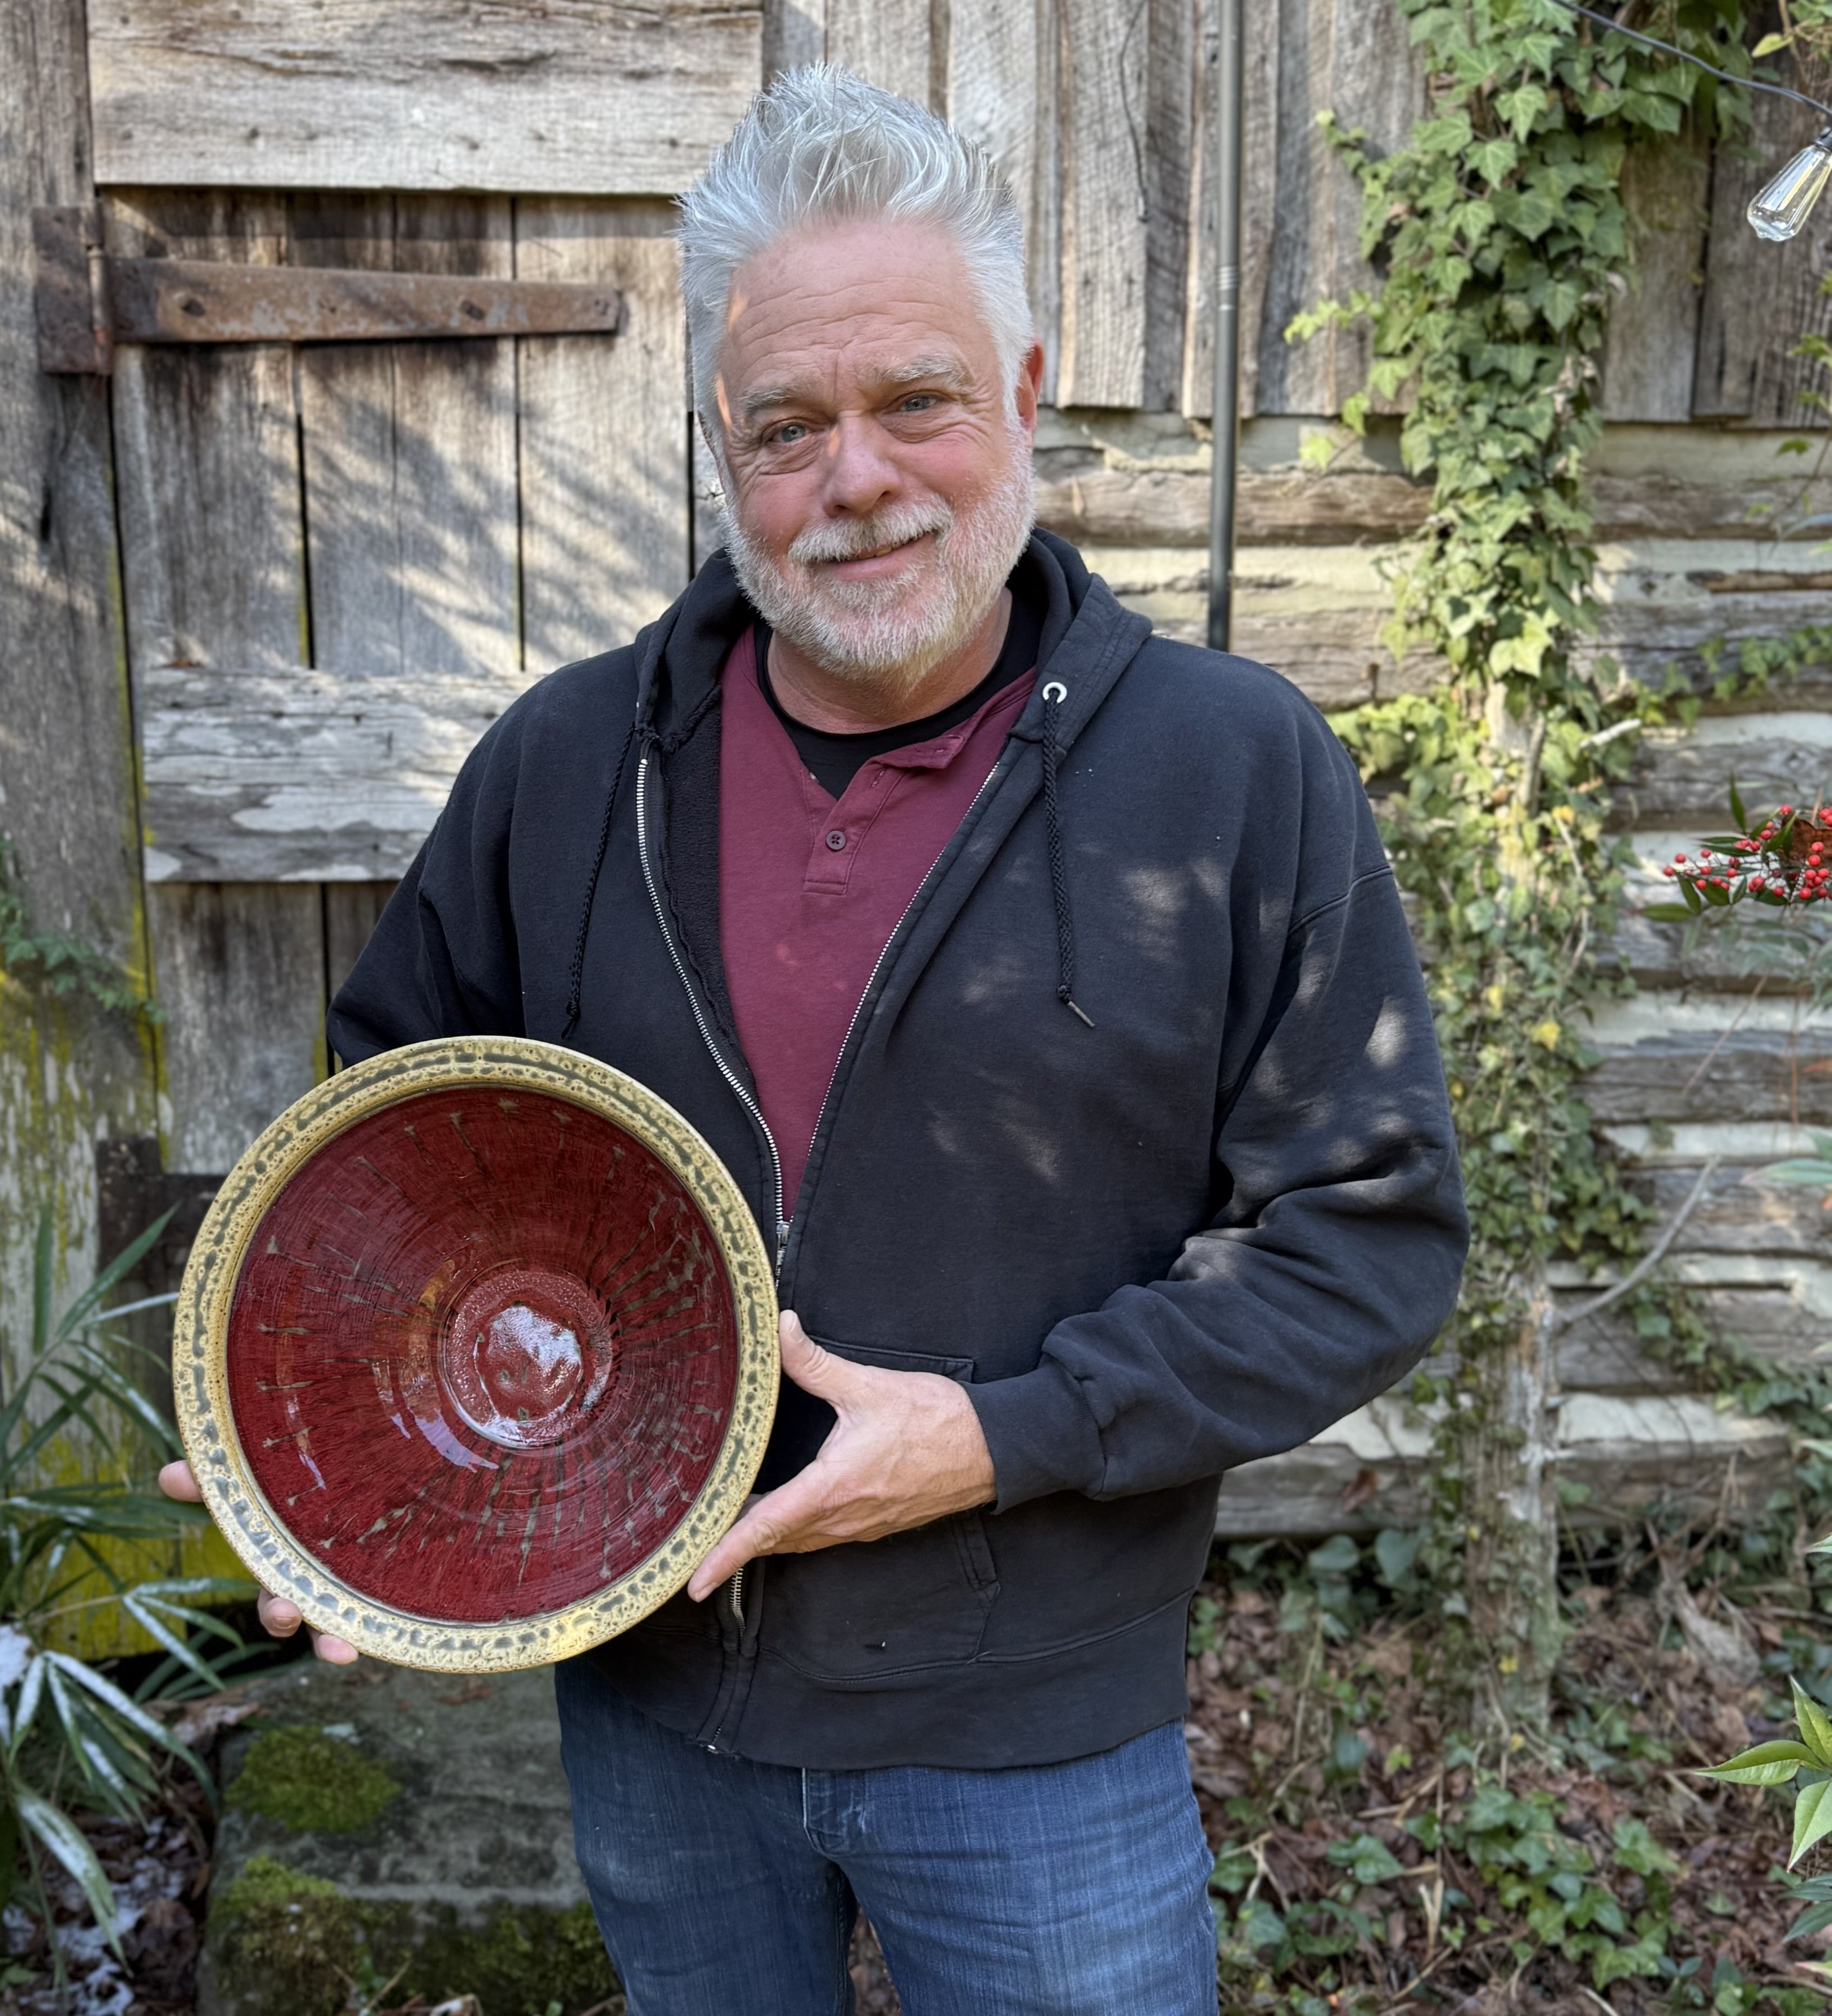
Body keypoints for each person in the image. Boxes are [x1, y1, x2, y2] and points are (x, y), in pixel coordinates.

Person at [163, 65, 1467, 2016]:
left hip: (1034, 1738)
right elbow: (390, 1164)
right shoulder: (566, 769)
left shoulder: (1229, 770)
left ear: (1025, 391)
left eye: (915, 400)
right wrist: (315, 1451)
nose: (855, 477)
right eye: (788, 426)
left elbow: (1363, 1239)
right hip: (654, 1721)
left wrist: (1003, 1435)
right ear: (723, 447)